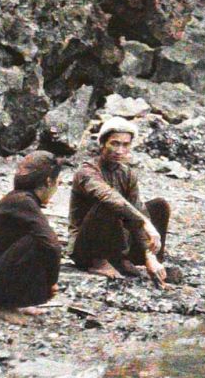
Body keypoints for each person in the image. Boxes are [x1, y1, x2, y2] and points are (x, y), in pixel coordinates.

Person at [69, 118, 170, 285]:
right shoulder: (86, 171)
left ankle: (144, 261)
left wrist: (149, 255)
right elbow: (107, 196)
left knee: (159, 206)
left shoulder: (127, 174)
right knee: (110, 203)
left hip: (118, 242)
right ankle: (98, 261)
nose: (119, 150)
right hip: (86, 246)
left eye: (125, 145)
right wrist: (145, 223)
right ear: (102, 143)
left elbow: (137, 209)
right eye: (114, 144)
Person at [0, 152, 65, 314]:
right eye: (57, 182)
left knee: (37, 238)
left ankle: (14, 302)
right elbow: (52, 245)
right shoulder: (23, 202)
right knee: (37, 242)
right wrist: (51, 283)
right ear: (48, 181)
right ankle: (5, 306)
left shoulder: (18, 199)